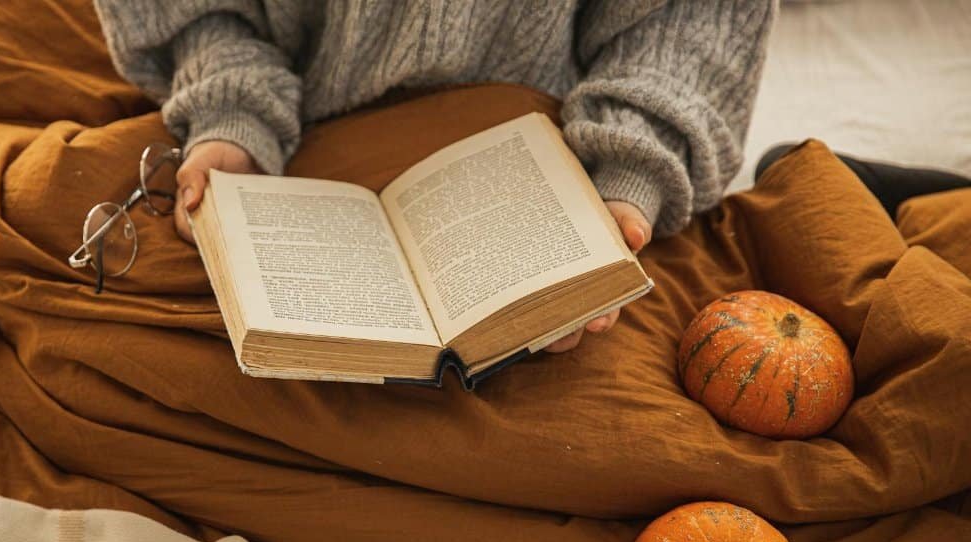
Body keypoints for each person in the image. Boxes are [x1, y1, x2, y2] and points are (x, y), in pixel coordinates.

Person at [94, 0, 774, 351]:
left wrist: (627, 174)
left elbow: (688, 22)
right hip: (286, 120)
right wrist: (227, 105)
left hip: (558, 150)